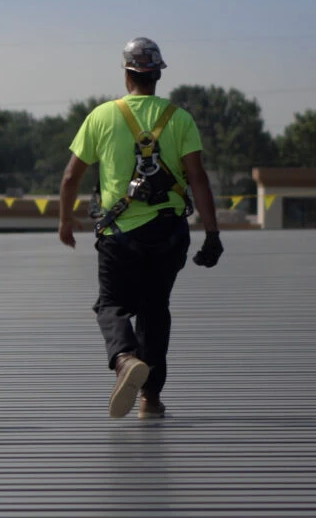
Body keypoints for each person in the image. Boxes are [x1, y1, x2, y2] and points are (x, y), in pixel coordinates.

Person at [58, 37, 223, 420]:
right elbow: (198, 178)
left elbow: (70, 178)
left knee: (111, 305)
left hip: (120, 236)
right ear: (157, 75)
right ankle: (150, 400)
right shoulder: (179, 118)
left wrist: (65, 221)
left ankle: (124, 359)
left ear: (127, 74)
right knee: (154, 310)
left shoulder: (101, 116)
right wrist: (212, 234)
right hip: (169, 234)